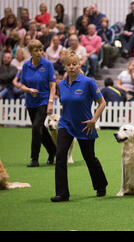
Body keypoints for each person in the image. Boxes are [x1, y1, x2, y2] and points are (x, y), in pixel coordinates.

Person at [51, 52, 107, 202]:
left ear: (79, 64)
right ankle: (62, 193)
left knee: (90, 158)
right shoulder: (61, 84)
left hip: (85, 126)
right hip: (66, 124)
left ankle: (101, 185)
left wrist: (94, 120)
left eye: (74, 64)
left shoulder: (88, 82)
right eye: (68, 64)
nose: (71, 67)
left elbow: (102, 103)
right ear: (65, 66)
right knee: (61, 156)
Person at [17, 39, 56, 167]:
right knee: (40, 129)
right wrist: (28, 90)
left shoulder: (47, 65)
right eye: (36, 50)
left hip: (44, 100)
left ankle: (34, 158)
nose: (39, 52)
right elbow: (21, 85)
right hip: (30, 102)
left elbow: (52, 85)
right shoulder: (26, 66)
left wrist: (50, 102)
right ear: (30, 52)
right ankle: (53, 151)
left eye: (41, 49)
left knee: (35, 127)